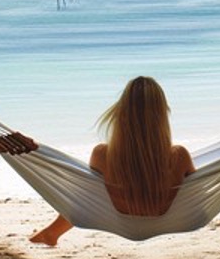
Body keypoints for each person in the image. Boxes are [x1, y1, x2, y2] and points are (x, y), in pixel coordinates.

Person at [30, 76, 196, 246]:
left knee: (88, 190)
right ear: (162, 114)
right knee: (89, 189)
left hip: (119, 215)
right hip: (164, 217)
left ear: (121, 113)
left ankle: (52, 232)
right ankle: (51, 233)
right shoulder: (180, 156)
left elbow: (86, 197)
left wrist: (32, 151)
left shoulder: (102, 155)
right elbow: (197, 193)